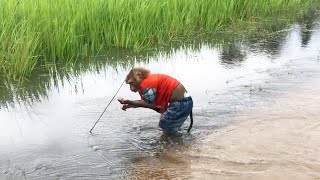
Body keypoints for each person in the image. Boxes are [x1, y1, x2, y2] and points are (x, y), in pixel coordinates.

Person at [118, 67, 193, 135]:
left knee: (165, 124)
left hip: (181, 103)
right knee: (168, 125)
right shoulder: (148, 83)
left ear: (139, 76)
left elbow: (149, 104)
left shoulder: (147, 83)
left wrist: (128, 101)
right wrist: (129, 105)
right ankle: (174, 143)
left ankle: (172, 146)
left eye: (131, 83)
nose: (131, 88)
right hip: (184, 101)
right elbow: (147, 103)